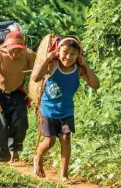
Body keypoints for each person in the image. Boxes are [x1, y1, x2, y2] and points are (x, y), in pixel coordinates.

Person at [31, 36, 99, 183]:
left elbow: (95, 85)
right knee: (49, 142)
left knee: (66, 138)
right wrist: (48, 59)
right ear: (58, 52)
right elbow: (36, 78)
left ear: (79, 56)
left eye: (73, 53)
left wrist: (85, 65)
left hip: (66, 111)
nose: (68, 56)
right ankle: (38, 157)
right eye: (65, 52)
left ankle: (64, 175)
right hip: (48, 110)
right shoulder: (52, 65)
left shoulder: (78, 70)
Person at [0, 31, 35, 162]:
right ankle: (2, 158)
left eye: (19, 50)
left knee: (20, 124)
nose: (15, 54)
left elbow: (36, 76)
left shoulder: (29, 55)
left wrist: (36, 97)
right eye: (12, 50)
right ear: (6, 47)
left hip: (18, 92)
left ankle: (15, 150)